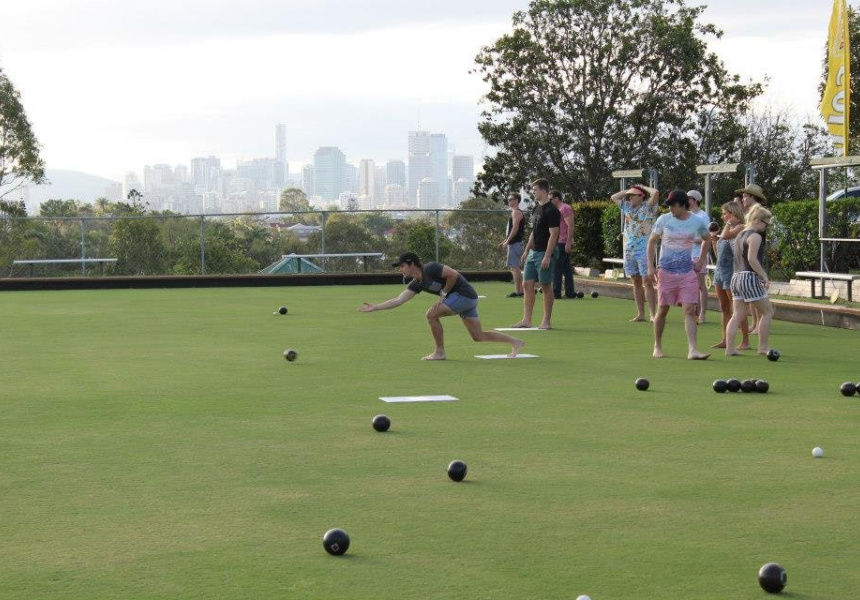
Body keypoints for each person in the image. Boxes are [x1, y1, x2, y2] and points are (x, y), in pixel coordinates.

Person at [359, 252, 525, 360]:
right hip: (465, 300)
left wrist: (444, 293)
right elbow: (399, 300)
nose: (400, 269)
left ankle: (439, 352)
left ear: (411, 264)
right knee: (478, 336)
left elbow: (453, 274)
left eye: (401, 266)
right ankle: (516, 342)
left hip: (465, 296)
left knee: (431, 314)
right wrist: (376, 307)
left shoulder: (431, 268)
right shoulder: (417, 283)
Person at [646, 190, 712, 359]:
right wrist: (650, 266)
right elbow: (652, 241)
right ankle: (657, 345)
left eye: (673, 206)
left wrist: (700, 261)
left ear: (683, 205)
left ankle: (693, 350)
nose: (670, 209)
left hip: (687, 272)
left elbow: (707, 238)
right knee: (663, 310)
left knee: (690, 310)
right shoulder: (663, 220)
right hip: (666, 272)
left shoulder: (696, 221)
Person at [725, 205, 775, 357]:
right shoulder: (755, 236)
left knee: (737, 315)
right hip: (749, 277)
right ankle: (763, 347)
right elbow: (752, 259)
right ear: (758, 220)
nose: (766, 228)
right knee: (767, 312)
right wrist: (764, 276)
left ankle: (730, 348)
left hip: (736, 277)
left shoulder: (740, 234)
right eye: (766, 224)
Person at [512, 178, 560, 329]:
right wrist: (527, 250)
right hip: (533, 252)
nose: (533, 192)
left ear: (544, 191)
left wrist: (547, 256)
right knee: (526, 284)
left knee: (546, 286)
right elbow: (534, 231)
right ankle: (526, 320)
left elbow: (554, 235)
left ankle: (546, 321)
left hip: (545, 253)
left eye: (535, 190)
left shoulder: (552, 211)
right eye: (532, 190)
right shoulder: (536, 209)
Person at [611, 183, 659, 322]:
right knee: (635, 281)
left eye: (633, 195)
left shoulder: (648, 208)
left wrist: (642, 187)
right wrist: (628, 190)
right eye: (629, 196)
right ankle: (640, 313)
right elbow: (613, 197)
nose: (629, 197)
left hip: (644, 249)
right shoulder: (627, 207)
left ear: (641, 196)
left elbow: (655, 192)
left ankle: (652, 314)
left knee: (647, 281)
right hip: (629, 249)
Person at [710, 201, 750, 349]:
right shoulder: (727, 230)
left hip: (732, 272)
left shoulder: (740, 227)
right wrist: (714, 242)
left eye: (725, 213)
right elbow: (718, 255)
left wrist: (728, 225)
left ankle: (745, 341)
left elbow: (730, 242)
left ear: (732, 214)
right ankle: (725, 339)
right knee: (724, 308)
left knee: (737, 308)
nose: (722, 216)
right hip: (720, 272)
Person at [687, 190, 712, 324]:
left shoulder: (703, 216)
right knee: (690, 284)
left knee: (701, 285)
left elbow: (706, 238)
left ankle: (702, 314)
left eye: (688, 199)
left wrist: (690, 239)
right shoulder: (687, 215)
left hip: (699, 254)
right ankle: (694, 311)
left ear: (694, 200)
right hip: (687, 254)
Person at [549, 189, 576, 299]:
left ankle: (556, 293)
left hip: (562, 242)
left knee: (557, 267)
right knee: (566, 268)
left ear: (556, 198)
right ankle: (570, 292)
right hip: (558, 241)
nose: (549, 201)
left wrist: (568, 242)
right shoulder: (557, 209)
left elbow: (571, 225)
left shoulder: (565, 208)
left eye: (551, 199)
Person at [499, 192, 525, 298]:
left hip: (515, 244)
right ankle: (520, 290)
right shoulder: (515, 212)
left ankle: (519, 291)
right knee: (514, 267)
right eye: (508, 199)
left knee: (515, 268)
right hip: (515, 243)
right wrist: (505, 241)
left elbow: (515, 228)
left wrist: (507, 242)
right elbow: (512, 229)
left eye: (511, 199)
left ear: (517, 200)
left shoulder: (516, 212)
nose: (509, 201)